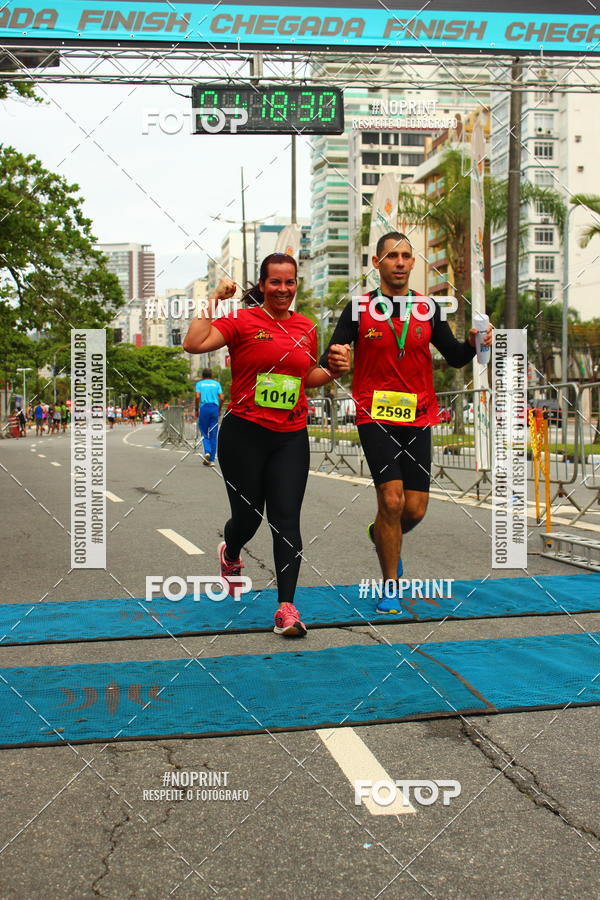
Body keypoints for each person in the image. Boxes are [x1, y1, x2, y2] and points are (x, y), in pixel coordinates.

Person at [324, 232, 493, 613]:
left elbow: (454, 357)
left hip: (418, 417)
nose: (400, 262)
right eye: (392, 256)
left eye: (406, 256)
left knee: (413, 509)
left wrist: (472, 343)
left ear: (413, 263)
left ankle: (381, 533)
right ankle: (390, 586)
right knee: (391, 499)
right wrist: (338, 355)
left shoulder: (429, 309)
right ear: (376, 263)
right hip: (374, 414)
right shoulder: (358, 308)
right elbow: (332, 353)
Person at [183, 256, 348, 637]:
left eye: (290, 283)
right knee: (248, 518)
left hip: (290, 435)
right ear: (262, 284)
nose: (283, 290)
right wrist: (214, 299)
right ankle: (231, 550)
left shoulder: (306, 327)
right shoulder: (242, 320)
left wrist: (335, 371)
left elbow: (307, 377)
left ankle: (286, 608)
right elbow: (193, 343)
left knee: (286, 520)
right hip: (245, 434)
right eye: (275, 282)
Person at [195, 368, 224, 466]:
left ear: (202, 376)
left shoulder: (199, 384)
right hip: (214, 409)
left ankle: (207, 451)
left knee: (203, 431)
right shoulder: (216, 384)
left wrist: (196, 409)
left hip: (204, 408)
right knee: (213, 433)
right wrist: (219, 409)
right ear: (211, 376)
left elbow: (198, 397)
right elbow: (222, 398)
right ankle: (211, 460)